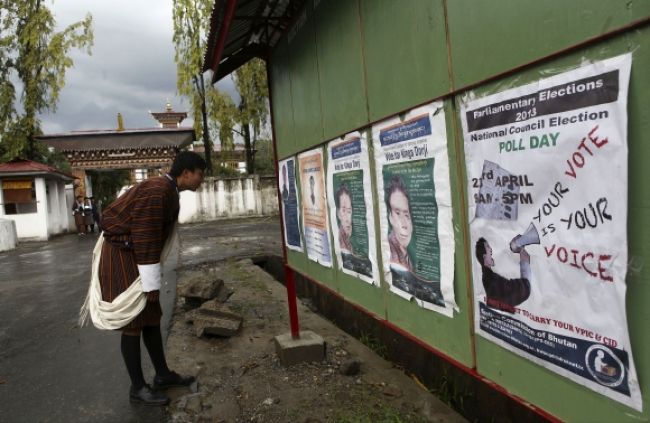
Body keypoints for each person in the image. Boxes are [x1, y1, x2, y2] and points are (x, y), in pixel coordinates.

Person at [98, 151, 206, 405]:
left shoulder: (168, 191)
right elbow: (145, 237)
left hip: (137, 254)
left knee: (151, 316)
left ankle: (163, 375)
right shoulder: (158, 191)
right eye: (200, 174)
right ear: (187, 172)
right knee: (134, 320)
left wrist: (152, 284)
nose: (202, 179)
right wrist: (150, 284)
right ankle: (138, 388)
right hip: (123, 257)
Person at [475, 237, 531, 313]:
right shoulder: (491, 279)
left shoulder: (487, 277)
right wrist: (522, 251)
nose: (491, 249)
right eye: (488, 247)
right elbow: (521, 290)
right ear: (484, 257)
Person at [385, 175, 413, 270]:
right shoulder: (389, 252)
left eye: (406, 215)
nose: (403, 224)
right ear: (390, 217)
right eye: (397, 213)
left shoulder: (406, 253)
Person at [334, 183, 353, 253]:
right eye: (344, 210)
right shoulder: (340, 242)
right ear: (338, 213)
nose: (347, 219)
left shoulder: (350, 239)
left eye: (349, 211)